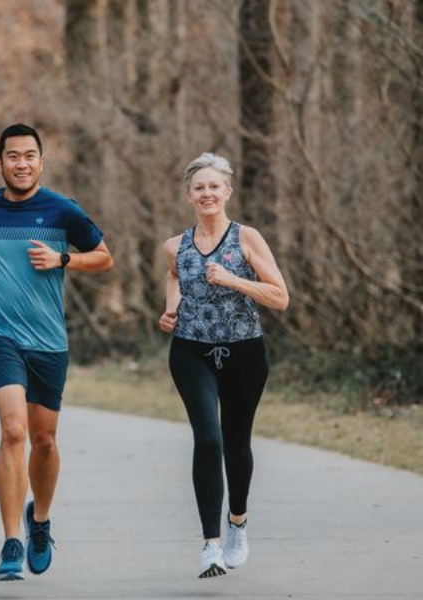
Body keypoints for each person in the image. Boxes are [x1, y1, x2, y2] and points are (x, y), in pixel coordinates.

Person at [0, 123, 113, 582]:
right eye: (12, 156)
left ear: (41, 162)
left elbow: (104, 257)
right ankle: (10, 542)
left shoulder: (62, 211)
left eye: (29, 156)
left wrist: (65, 259)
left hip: (47, 341)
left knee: (43, 441)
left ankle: (39, 519)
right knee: (13, 431)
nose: (20, 163)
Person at [159, 152, 288, 579]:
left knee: (236, 441)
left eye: (215, 186)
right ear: (188, 195)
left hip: (245, 353)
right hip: (191, 351)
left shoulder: (247, 238)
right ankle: (210, 544)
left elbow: (280, 296)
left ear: (228, 191)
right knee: (208, 438)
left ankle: (238, 522)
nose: (208, 193)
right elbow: (176, 278)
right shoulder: (174, 246)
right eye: (200, 187)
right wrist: (170, 311)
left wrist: (233, 279)